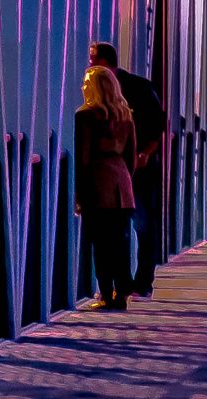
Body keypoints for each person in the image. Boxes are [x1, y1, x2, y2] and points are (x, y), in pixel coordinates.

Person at [89, 42, 166, 298]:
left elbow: (157, 124)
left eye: (93, 59)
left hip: (139, 169)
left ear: (106, 62)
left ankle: (142, 281)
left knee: (142, 225)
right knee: (118, 228)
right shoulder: (95, 91)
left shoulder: (139, 87)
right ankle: (119, 286)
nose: (89, 65)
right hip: (114, 171)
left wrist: (145, 153)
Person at [75, 66, 137, 310]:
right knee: (120, 243)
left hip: (98, 185)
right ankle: (122, 292)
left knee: (100, 243)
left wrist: (79, 194)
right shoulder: (125, 115)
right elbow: (131, 157)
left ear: (94, 87)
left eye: (86, 82)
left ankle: (105, 295)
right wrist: (124, 180)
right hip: (122, 185)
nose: (82, 86)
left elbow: (83, 158)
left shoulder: (86, 115)